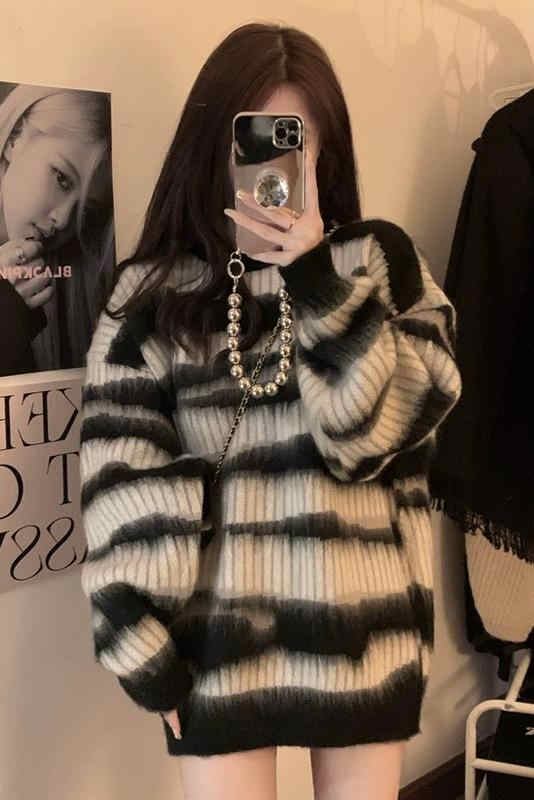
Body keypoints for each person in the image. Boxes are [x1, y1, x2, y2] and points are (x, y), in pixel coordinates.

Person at [79, 22, 462, 800]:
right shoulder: (152, 295)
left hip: (363, 634)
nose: (274, 169)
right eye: (255, 141)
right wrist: (141, 649)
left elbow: (374, 437)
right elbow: (120, 473)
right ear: (213, 148)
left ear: (327, 157)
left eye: (298, 144)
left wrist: (317, 279)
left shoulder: (380, 264)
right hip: (216, 644)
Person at [0, 84, 114, 376]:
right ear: (15, 138)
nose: (63, 221)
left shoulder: (70, 297)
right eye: (62, 179)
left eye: (85, 211)